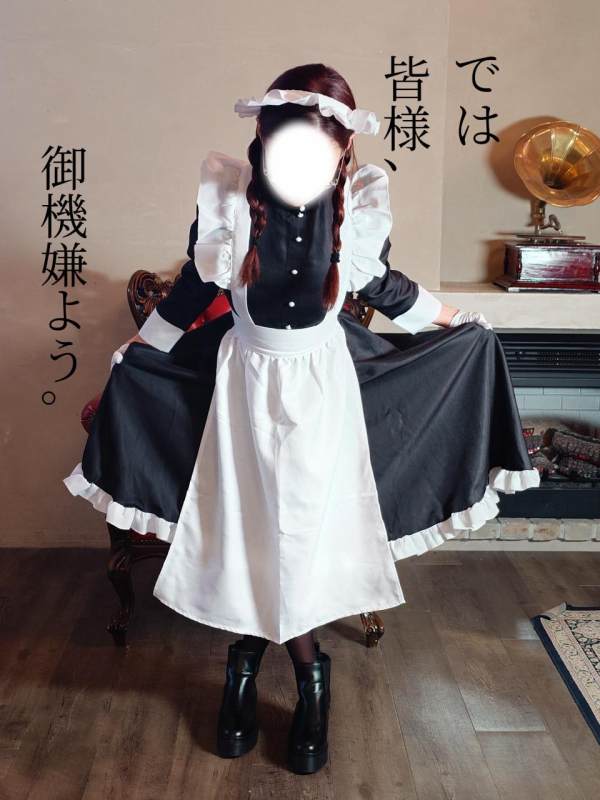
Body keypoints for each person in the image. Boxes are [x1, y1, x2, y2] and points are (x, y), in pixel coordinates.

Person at [63, 63, 540, 775]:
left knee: (304, 535)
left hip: (324, 388)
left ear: (344, 148)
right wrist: (140, 348)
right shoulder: (228, 197)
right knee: (253, 530)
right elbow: (193, 290)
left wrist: (460, 320)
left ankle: (274, 670)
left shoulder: (356, 198)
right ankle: (278, 672)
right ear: (262, 134)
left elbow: (386, 287)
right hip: (240, 386)